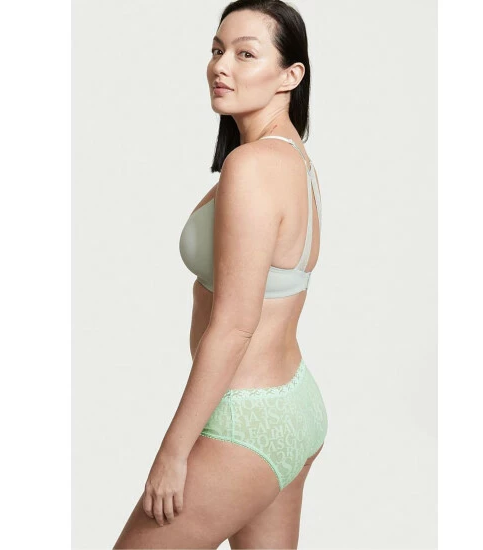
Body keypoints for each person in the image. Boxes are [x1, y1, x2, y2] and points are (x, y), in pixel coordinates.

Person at [113, 1, 327, 548]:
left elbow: (233, 326)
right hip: (292, 404)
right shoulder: (293, 159)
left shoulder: (252, 167)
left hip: (245, 422)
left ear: (290, 75)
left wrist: (173, 452)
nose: (221, 66)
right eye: (216, 49)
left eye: (245, 54)